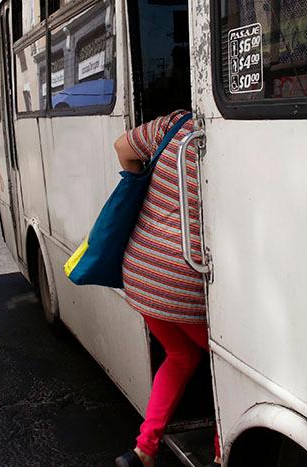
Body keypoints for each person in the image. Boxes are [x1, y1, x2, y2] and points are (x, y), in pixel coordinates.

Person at [113, 110, 220, 467]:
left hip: (142, 273)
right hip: (183, 280)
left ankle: (144, 450)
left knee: (182, 356)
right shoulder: (236, 134)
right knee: (230, 367)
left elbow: (122, 147)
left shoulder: (171, 125)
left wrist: (144, 180)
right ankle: (222, 456)